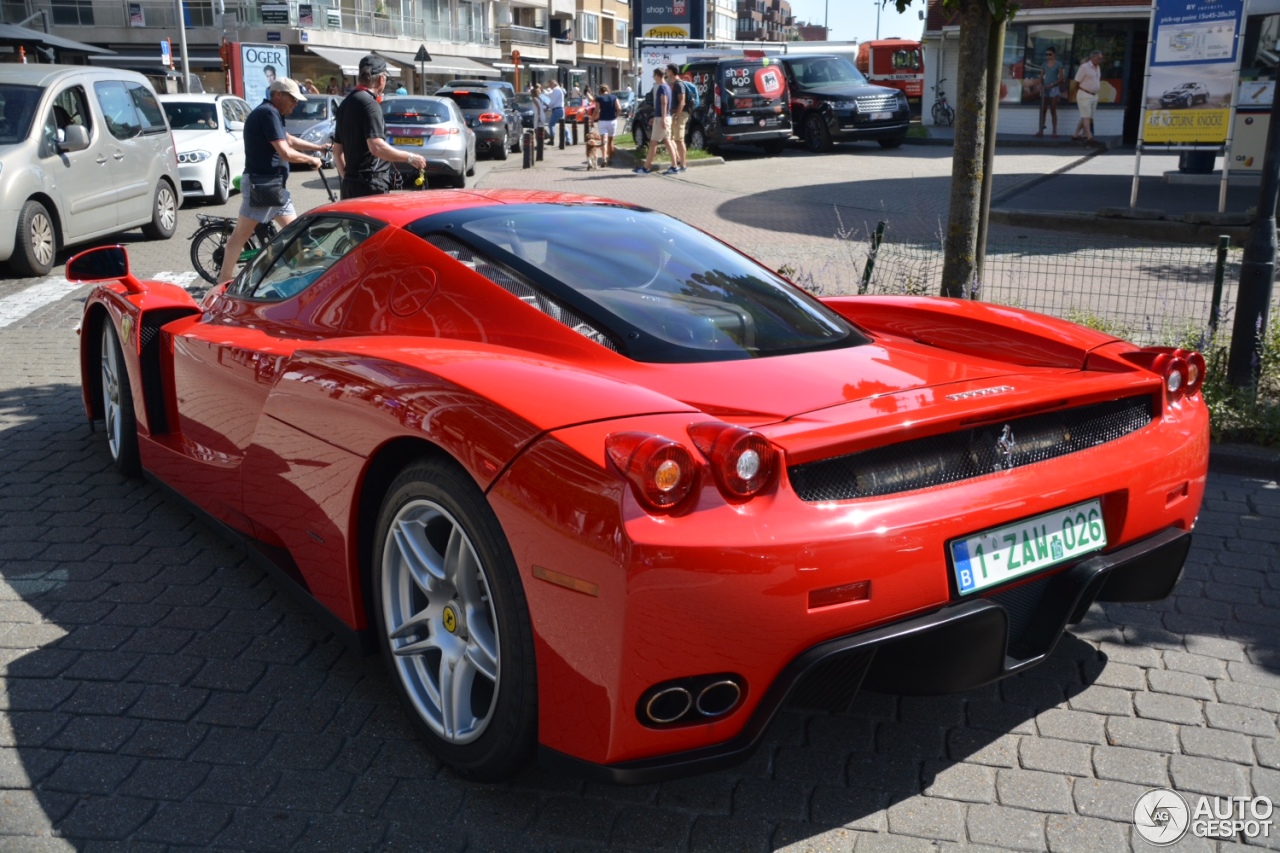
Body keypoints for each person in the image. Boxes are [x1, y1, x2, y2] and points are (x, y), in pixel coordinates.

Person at [217, 78, 327, 283]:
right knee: (240, 235)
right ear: (278, 95)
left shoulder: (272, 113)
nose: (296, 104)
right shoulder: (268, 113)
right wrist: (311, 159)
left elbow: (289, 140)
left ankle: (302, 278)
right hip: (262, 186)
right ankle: (223, 282)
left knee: (295, 234)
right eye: (293, 99)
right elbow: (285, 152)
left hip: (275, 188)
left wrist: (317, 147)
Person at [331, 54, 427, 199]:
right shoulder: (370, 104)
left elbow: (337, 151)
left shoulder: (345, 103)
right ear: (381, 79)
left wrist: (347, 178)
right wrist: (410, 158)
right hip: (370, 185)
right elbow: (376, 147)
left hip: (350, 186)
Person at [635, 68, 677, 175]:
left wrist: (661, 118)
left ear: (658, 75)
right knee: (667, 142)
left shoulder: (662, 87)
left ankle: (646, 168)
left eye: (654, 75)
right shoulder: (667, 86)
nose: (653, 78)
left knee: (653, 143)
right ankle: (674, 166)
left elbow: (664, 103)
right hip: (665, 117)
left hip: (662, 118)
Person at [1073, 49, 1103, 143]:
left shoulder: (1097, 67)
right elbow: (1077, 81)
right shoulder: (1084, 67)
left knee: (1087, 116)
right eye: (1099, 58)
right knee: (1086, 116)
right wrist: (1076, 91)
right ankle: (1089, 136)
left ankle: (1075, 134)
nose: (1100, 60)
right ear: (1093, 57)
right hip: (1084, 93)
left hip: (1094, 95)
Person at [1034, 48, 1065, 137]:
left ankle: (1054, 131)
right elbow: (1041, 76)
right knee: (1043, 110)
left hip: (1054, 88)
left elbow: (1061, 78)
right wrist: (1041, 84)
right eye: (1046, 54)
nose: (1048, 56)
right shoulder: (1044, 64)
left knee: (1053, 110)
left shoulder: (1058, 64)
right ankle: (1041, 131)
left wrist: (1052, 84)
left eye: (1050, 54)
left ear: (1054, 54)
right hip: (1045, 88)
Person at [665, 64, 689, 175]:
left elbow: (682, 102)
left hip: (681, 114)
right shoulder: (673, 84)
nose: (666, 72)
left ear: (671, 71)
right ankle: (678, 160)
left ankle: (683, 165)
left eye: (667, 70)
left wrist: (676, 116)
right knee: (672, 138)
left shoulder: (679, 84)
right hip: (676, 113)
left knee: (679, 140)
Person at [593, 83, 619, 165]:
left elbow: (596, 110)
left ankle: (604, 158)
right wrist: (616, 116)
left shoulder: (599, 98)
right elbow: (619, 108)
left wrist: (592, 119)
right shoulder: (614, 97)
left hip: (603, 121)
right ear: (608, 90)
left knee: (604, 140)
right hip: (612, 121)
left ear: (600, 91)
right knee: (610, 141)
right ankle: (610, 159)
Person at [545, 78, 566, 145]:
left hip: (557, 109)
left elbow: (552, 101)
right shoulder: (556, 90)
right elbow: (549, 94)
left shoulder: (556, 90)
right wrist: (543, 91)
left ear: (553, 84)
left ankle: (552, 140)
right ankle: (568, 139)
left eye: (550, 84)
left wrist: (547, 107)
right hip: (558, 109)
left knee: (551, 124)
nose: (550, 86)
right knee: (563, 125)